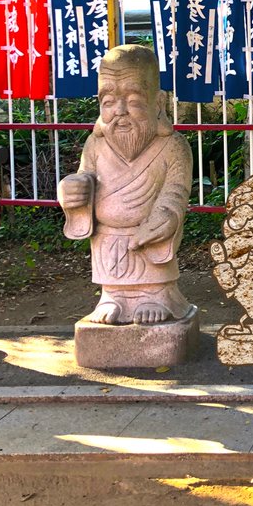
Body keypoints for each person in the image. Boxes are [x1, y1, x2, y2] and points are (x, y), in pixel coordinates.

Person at [58, 44, 193, 325]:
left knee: (154, 281)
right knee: (112, 288)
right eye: (108, 102)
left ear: (158, 103)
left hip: (148, 239)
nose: (120, 111)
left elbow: (176, 192)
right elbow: (85, 177)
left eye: (133, 100)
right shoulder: (94, 145)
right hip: (108, 242)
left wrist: (167, 216)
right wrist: (72, 190)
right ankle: (112, 296)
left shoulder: (172, 147)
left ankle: (155, 295)